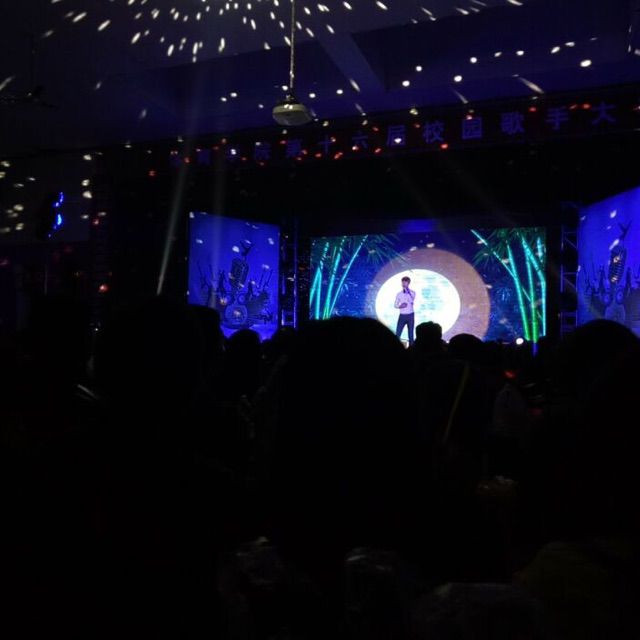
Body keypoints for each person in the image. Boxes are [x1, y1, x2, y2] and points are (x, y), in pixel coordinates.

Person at [394, 276, 416, 346]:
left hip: (410, 315)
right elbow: (395, 305)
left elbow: (411, 301)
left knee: (411, 334)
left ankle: (411, 349)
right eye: (402, 282)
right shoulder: (399, 294)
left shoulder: (412, 293)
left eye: (405, 282)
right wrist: (400, 306)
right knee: (398, 333)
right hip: (402, 315)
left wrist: (407, 291)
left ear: (408, 283)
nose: (403, 284)